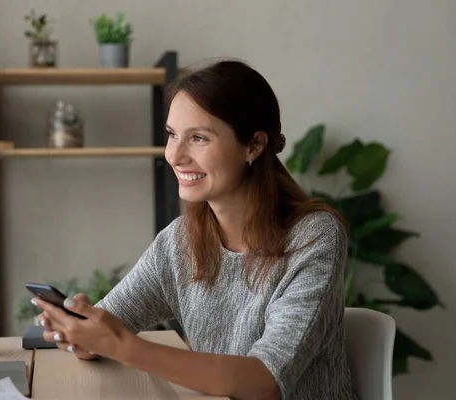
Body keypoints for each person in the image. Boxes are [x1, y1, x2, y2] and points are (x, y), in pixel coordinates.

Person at [32, 60, 357, 400]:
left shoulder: (313, 237)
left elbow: (266, 381)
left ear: (254, 146)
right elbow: (111, 326)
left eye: (198, 138)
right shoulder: (180, 241)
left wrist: (123, 347)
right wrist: (81, 334)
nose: (175, 155)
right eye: (172, 135)